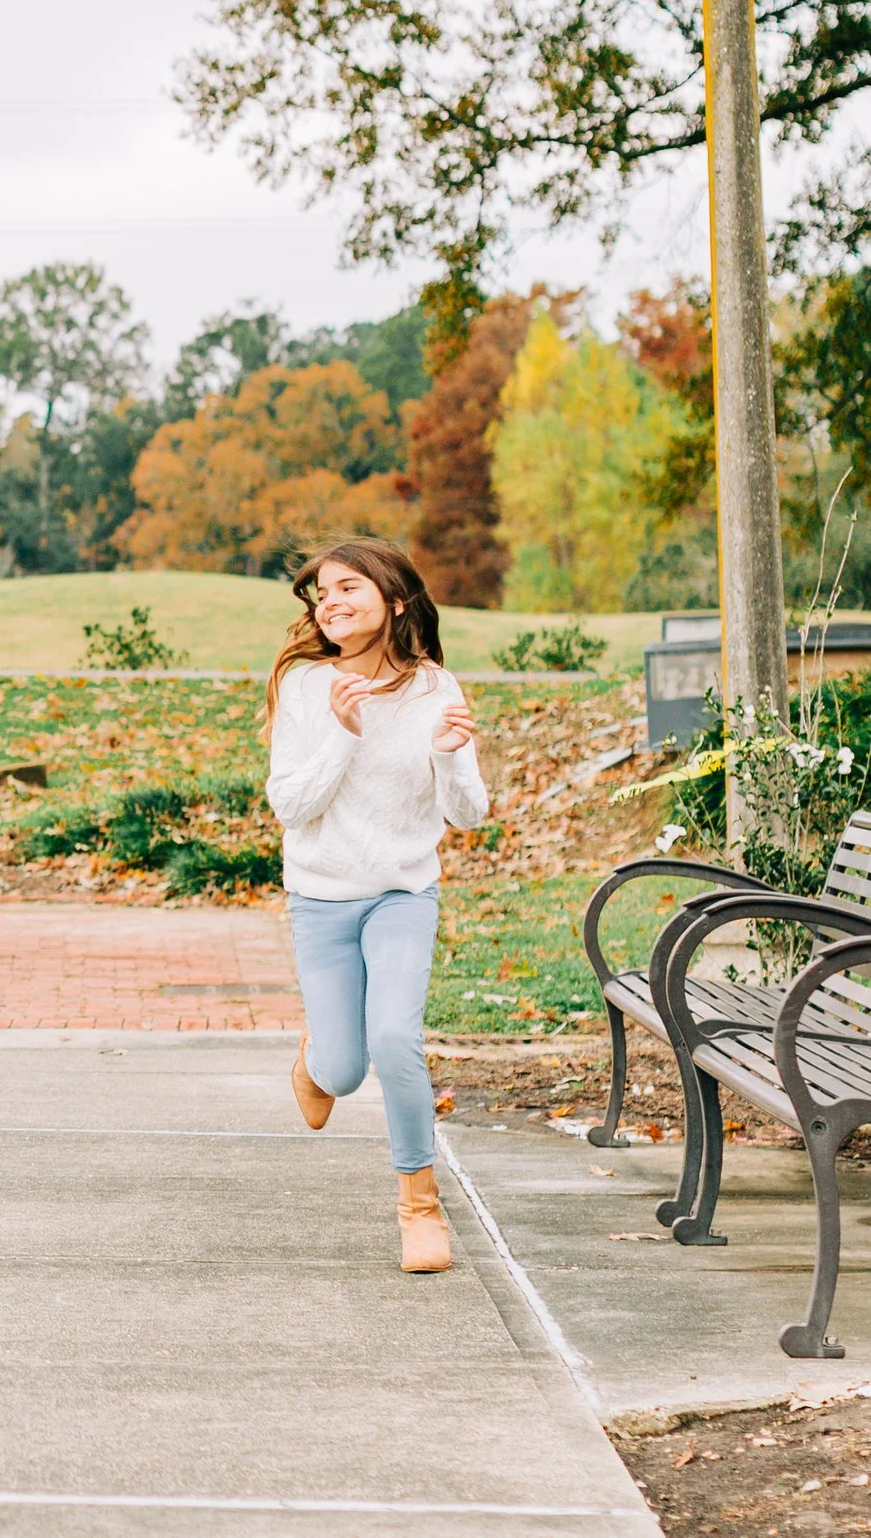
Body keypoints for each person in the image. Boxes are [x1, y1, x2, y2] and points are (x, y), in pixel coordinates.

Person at [265, 537, 488, 1274]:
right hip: (322, 897)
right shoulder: (306, 688)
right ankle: (317, 1057)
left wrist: (453, 754)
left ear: (394, 599)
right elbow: (290, 806)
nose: (330, 602)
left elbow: (469, 815)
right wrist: (342, 732)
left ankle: (419, 1206)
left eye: (348, 587)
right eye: (322, 592)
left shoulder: (435, 689)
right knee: (344, 1067)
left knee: (395, 1040)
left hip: (402, 893)